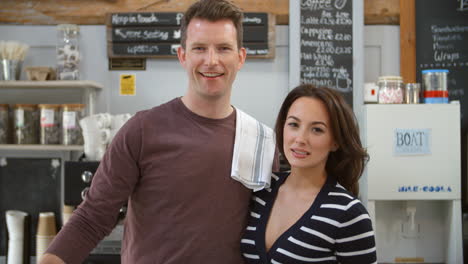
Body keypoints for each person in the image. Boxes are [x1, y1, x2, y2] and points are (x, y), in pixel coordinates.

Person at [40, 0, 277, 263]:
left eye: (223, 48)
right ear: (182, 56)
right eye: (199, 48)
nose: (211, 60)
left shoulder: (260, 140)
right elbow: (92, 217)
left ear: (240, 57)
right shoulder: (142, 130)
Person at [241, 84, 377, 263]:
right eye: (293, 124)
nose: (300, 139)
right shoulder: (260, 189)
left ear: (335, 142)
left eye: (317, 129)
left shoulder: (349, 214)